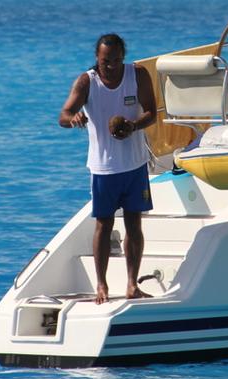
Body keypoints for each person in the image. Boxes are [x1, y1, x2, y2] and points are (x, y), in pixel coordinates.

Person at [59, 33, 156, 304]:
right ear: (97, 58)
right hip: (103, 168)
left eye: (116, 60)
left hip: (134, 164)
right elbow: (63, 116)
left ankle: (131, 285)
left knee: (134, 224)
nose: (111, 66)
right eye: (105, 61)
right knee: (104, 224)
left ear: (123, 57)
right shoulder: (86, 82)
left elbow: (152, 112)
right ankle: (101, 286)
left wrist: (133, 126)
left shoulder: (137, 75)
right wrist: (74, 118)